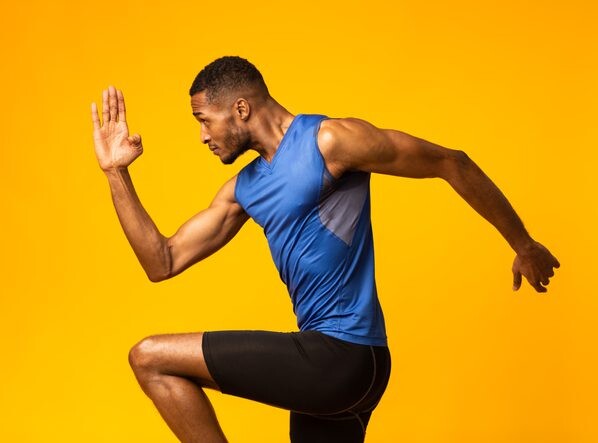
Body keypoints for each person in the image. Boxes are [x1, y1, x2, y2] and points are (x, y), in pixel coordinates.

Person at [89, 56, 560, 443]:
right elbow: (162, 261)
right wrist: (116, 173)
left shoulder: (330, 141)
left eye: (204, 121)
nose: (203, 137)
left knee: (150, 358)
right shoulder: (243, 190)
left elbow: (449, 162)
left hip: (341, 356)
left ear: (240, 109)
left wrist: (523, 244)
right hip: (345, 371)